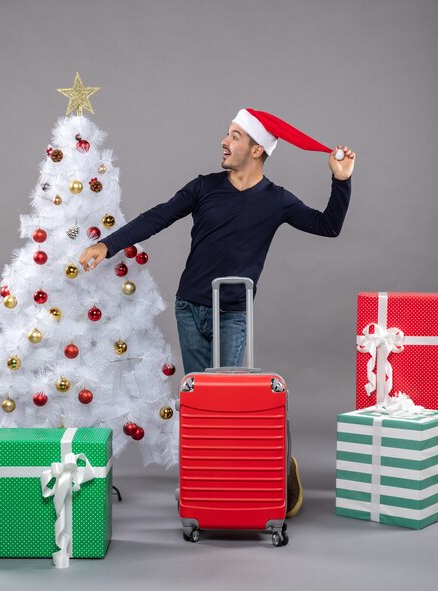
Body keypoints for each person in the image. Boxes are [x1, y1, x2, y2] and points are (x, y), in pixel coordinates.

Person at [79, 108, 356, 517]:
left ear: (258, 149)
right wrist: (108, 245)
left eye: (235, 136)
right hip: (190, 309)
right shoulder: (204, 188)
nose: (224, 142)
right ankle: (200, 481)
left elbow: (328, 225)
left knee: (229, 403)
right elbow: (157, 216)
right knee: (199, 403)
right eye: (227, 134)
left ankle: (238, 481)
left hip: (233, 314)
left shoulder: (277, 200)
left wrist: (341, 179)